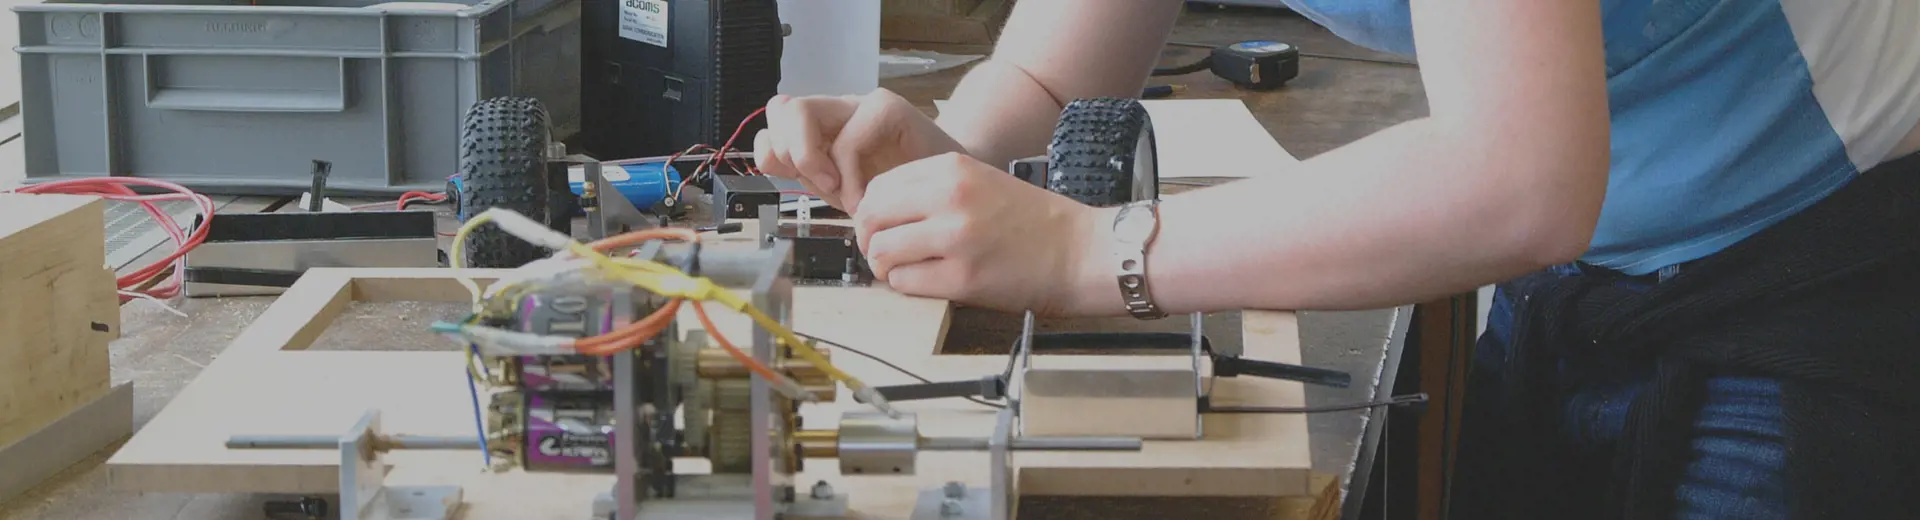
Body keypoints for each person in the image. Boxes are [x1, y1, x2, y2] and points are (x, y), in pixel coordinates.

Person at [753, 1, 1920, 519]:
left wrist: (1080, 249)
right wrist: (951, 149)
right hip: (1591, 263)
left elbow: (1519, 178)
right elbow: (1057, 73)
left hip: (1811, 257)